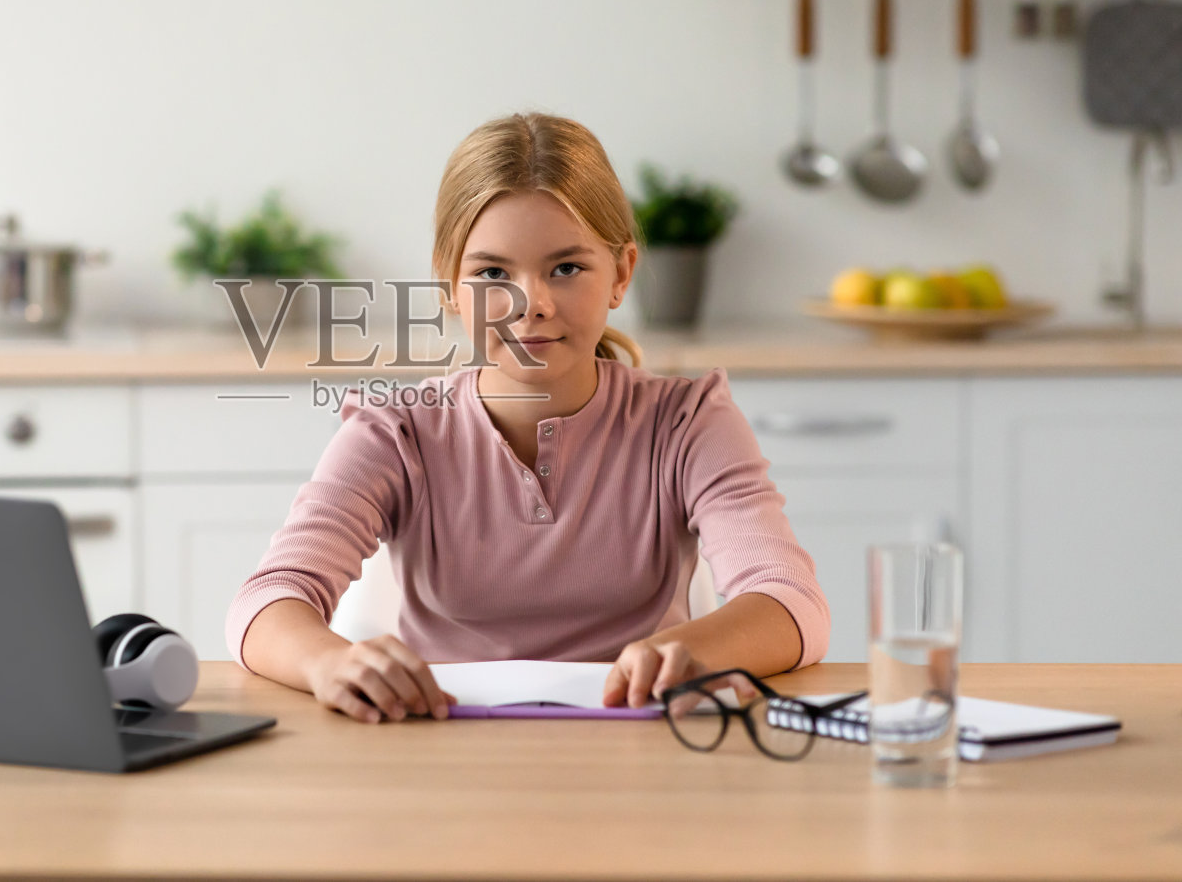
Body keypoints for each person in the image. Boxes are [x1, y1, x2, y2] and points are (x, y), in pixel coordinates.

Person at [224, 112, 829, 724]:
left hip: (640, 757)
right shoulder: (395, 430)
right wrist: (330, 663)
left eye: (566, 268)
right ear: (447, 284)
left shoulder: (687, 422)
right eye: (491, 273)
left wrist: (686, 650)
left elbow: (788, 597)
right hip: (440, 750)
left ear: (621, 274)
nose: (531, 305)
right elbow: (268, 599)